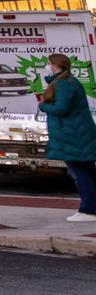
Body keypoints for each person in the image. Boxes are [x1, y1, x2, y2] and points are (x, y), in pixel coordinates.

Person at [37, 53, 96, 222]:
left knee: (78, 172)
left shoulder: (63, 84)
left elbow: (62, 109)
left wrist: (43, 106)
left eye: (48, 64)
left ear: (56, 66)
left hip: (73, 135)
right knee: (87, 170)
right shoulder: (66, 82)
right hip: (78, 133)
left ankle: (88, 210)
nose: (47, 67)